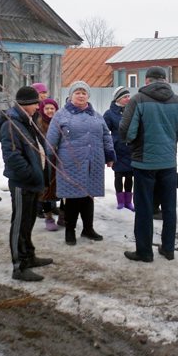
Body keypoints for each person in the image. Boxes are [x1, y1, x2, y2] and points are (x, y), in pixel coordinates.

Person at [119, 66, 178, 262]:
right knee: (169, 207)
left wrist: (134, 144)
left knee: (144, 207)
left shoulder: (138, 100)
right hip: (168, 162)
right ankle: (168, 248)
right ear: (165, 80)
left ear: (147, 80)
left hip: (144, 162)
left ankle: (144, 251)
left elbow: (127, 131)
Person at [46, 81, 115, 246]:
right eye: (77, 92)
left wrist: (110, 155)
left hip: (94, 161)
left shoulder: (96, 116)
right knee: (73, 198)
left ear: (88, 96)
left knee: (88, 197)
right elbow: (51, 140)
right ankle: (70, 231)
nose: (81, 95)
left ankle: (88, 228)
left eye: (84, 92)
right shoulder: (61, 115)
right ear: (70, 95)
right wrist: (50, 157)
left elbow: (106, 136)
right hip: (70, 163)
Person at [0, 86, 53, 282]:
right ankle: (18, 266)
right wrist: (30, 175)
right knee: (19, 223)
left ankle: (29, 256)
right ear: (25, 105)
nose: (38, 106)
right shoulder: (11, 125)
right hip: (23, 183)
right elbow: (12, 156)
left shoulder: (27, 121)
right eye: (35, 103)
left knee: (28, 222)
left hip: (33, 182)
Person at [103, 86, 135, 212]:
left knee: (129, 176)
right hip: (117, 149)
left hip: (131, 148)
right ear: (118, 98)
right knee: (119, 175)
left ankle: (129, 201)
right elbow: (105, 131)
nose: (128, 99)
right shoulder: (109, 113)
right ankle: (120, 201)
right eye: (125, 97)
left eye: (128, 96)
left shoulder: (132, 111)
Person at [36, 98, 60, 231]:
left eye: (52, 108)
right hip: (45, 162)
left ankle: (61, 214)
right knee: (46, 189)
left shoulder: (59, 123)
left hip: (59, 161)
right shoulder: (38, 125)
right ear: (42, 110)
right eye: (47, 108)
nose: (50, 111)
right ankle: (48, 217)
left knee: (59, 188)